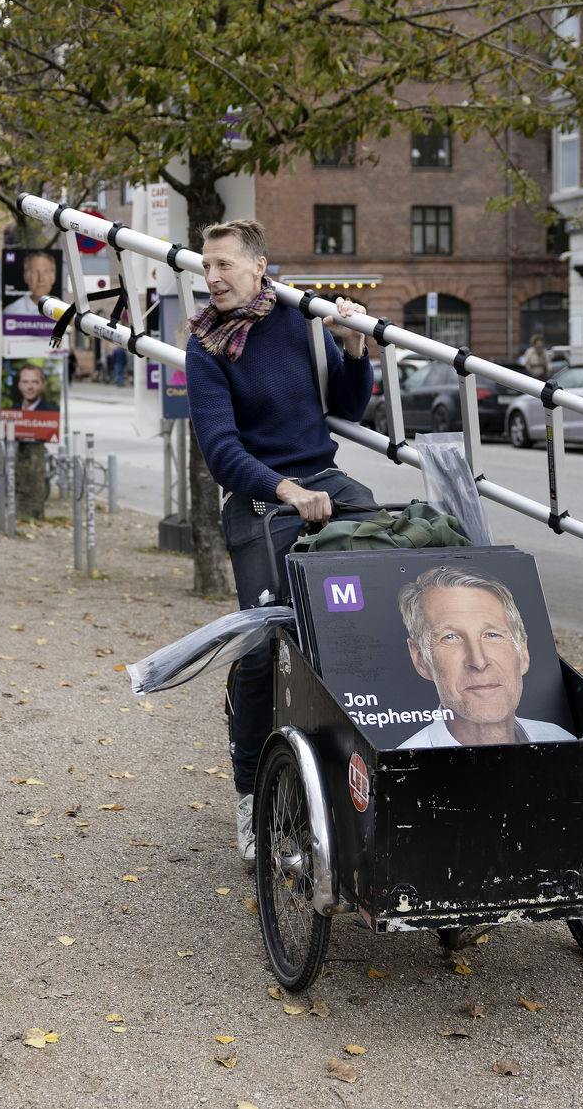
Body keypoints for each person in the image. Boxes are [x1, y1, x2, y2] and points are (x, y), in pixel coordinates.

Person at [183, 218, 377, 866]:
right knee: (267, 644)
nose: (212, 279)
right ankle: (250, 798)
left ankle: (370, 770)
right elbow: (221, 451)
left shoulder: (299, 316)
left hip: (324, 481)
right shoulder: (205, 344)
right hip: (260, 501)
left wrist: (352, 347)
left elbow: (349, 407)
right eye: (206, 267)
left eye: (223, 266)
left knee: (388, 580)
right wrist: (287, 490)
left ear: (259, 267)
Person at [395, 565, 573, 747]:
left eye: (492, 635)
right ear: (420, 660)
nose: (479, 662)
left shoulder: (563, 742)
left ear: (523, 652)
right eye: (450, 637)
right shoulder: (398, 769)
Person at [4, 250, 59, 319]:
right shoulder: (11, 312)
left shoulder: (64, 310)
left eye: (45, 272)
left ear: (53, 277)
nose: (40, 279)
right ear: (26, 277)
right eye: (35, 272)